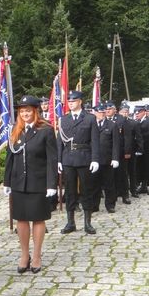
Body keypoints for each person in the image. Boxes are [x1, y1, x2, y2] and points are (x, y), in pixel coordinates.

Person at [3, 95, 56, 273]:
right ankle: (24, 255)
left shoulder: (46, 130)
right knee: (21, 219)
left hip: (38, 182)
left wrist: (51, 184)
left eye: (28, 110)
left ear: (36, 111)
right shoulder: (16, 130)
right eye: (22, 111)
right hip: (19, 183)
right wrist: (7, 181)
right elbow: (11, 157)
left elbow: (51, 159)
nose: (25, 113)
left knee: (38, 219)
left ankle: (37, 255)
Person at [57, 90, 100, 234]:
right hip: (68, 158)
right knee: (69, 192)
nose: (70, 103)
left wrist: (95, 159)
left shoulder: (90, 118)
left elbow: (95, 140)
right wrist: (58, 160)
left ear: (80, 101)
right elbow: (59, 142)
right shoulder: (63, 119)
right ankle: (71, 223)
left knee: (86, 190)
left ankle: (88, 223)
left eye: (73, 101)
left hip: (84, 158)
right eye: (69, 101)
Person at [92, 103, 120, 214]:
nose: (102, 114)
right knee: (94, 184)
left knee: (109, 184)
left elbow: (116, 144)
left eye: (104, 112)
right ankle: (94, 205)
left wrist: (115, 158)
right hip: (94, 160)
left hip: (107, 159)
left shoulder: (112, 125)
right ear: (95, 113)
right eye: (100, 112)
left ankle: (110, 205)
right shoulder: (91, 124)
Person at [135, 104, 149, 195]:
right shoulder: (137, 121)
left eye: (139, 112)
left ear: (144, 112)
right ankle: (143, 186)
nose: (137, 114)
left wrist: (139, 136)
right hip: (140, 148)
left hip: (148, 147)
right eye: (136, 113)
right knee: (141, 167)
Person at [123, 105, 144, 198]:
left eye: (126, 111)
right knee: (122, 173)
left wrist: (140, 149)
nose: (124, 113)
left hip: (131, 150)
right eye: (123, 111)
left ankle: (133, 190)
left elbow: (139, 137)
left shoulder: (133, 123)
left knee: (132, 171)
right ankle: (122, 191)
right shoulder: (116, 122)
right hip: (119, 151)